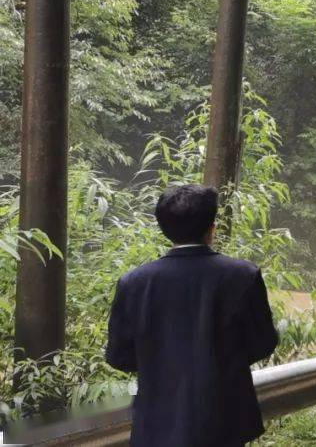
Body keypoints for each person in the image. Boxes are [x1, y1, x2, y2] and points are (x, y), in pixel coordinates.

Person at [105, 184, 279, 446]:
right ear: (212, 227)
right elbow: (263, 342)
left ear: (163, 228)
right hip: (225, 422)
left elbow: (119, 356)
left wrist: (163, 364)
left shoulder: (134, 283)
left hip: (158, 425)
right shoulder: (243, 276)